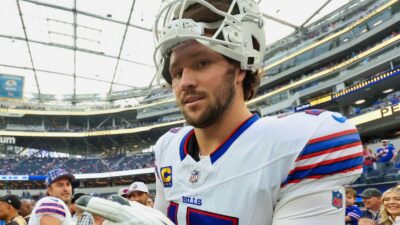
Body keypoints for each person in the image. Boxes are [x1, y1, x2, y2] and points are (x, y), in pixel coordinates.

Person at [151, 0, 363, 224]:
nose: (185, 82)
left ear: (240, 67)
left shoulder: (297, 142)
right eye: (176, 73)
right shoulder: (169, 147)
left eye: (202, 63)